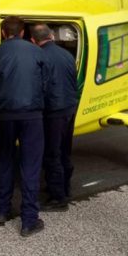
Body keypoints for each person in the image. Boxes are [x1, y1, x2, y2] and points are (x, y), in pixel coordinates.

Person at [0, 16, 48, 237]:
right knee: (30, 166)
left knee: (5, 160)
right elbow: (46, 84)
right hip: (31, 116)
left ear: (4, 33)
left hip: (4, 115)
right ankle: (28, 221)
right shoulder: (36, 52)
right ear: (23, 32)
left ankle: (1, 211)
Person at [30, 23, 79, 211]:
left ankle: (58, 198)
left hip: (53, 111)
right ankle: (66, 188)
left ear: (34, 40)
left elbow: (40, 86)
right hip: (69, 107)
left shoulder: (40, 56)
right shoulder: (66, 54)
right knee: (65, 150)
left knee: (52, 153)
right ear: (51, 35)